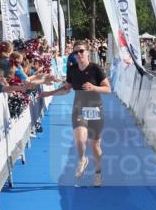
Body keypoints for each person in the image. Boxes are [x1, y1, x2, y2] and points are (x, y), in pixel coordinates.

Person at [39, 41, 111, 187]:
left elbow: (108, 89)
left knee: (95, 146)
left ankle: (98, 174)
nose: (78, 54)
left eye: (81, 51)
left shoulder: (96, 68)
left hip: (95, 109)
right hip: (79, 108)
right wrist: (49, 93)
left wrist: (94, 87)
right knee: (79, 139)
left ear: (88, 52)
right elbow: (67, 88)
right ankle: (82, 159)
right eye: (75, 52)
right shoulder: (72, 69)